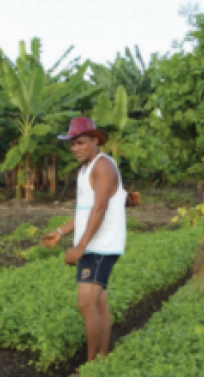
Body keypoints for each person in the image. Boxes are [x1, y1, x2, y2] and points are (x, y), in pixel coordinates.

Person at [43, 117, 128, 362]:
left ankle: (92, 365)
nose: (76, 149)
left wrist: (81, 246)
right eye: (72, 144)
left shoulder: (103, 166)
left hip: (101, 247)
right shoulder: (86, 169)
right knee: (99, 303)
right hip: (94, 245)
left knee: (86, 304)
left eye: (80, 143)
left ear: (95, 140)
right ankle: (102, 356)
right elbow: (86, 211)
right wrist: (61, 232)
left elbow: (100, 207)